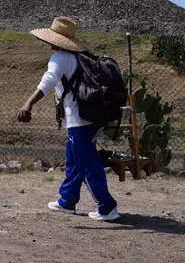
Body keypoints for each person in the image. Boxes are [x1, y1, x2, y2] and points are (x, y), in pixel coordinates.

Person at [17, 16, 120, 221]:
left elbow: (48, 81)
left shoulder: (60, 58)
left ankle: (107, 207)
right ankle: (68, 200)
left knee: (87, 162)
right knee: (74, 159)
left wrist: (28, 103)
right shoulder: (79, 57)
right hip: (87, 117)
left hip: (80, 120)